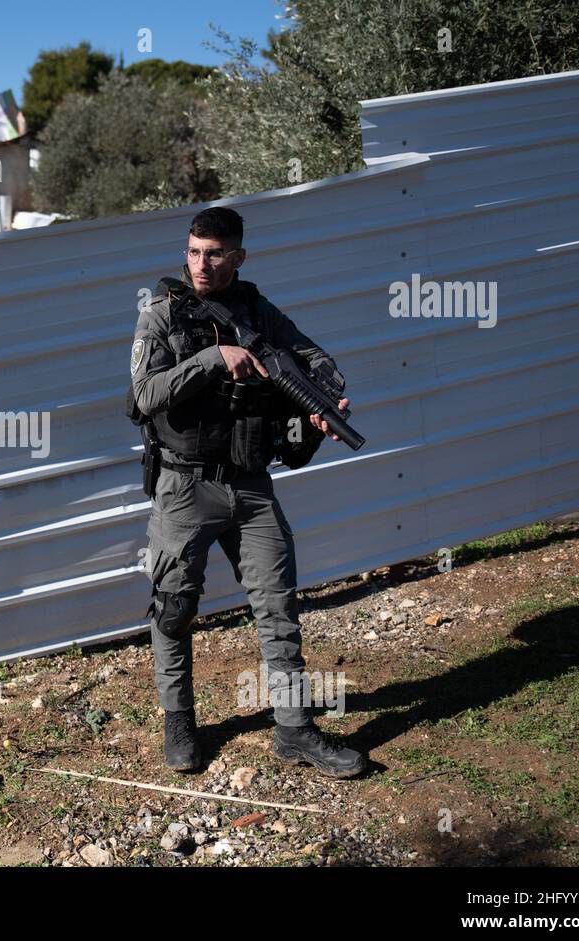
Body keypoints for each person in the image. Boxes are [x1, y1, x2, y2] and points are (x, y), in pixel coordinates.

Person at [129, 206, 368, 778]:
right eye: (192, 251)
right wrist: (214, 359)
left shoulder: (257, 310)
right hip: (184, 485)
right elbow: (143, 395)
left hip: (250, 484)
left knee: (278, 605)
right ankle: (179, 720)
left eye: (214, 253)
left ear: (238, 256)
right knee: (174, 607)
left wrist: (323, 396)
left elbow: (311, 356)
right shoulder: (160, 314)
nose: (201, 264)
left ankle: (294, 729)